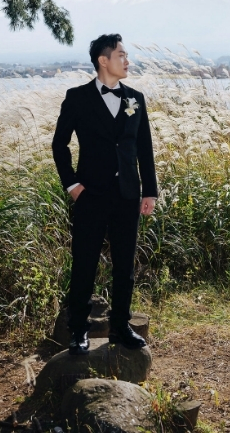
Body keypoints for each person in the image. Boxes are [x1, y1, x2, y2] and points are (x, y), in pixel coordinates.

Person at [53, 33, 158, 353]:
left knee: (125, 265)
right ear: (103, 60)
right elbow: (60, 145)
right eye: (122, 55)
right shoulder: (77, 97)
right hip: (90, 195)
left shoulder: (135, 99)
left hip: (128, 193)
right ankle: (78, 330)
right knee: (83, 262)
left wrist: (149, 191)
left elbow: (145, 149)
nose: (128, 61)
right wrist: (72, 186)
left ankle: (121, 327)